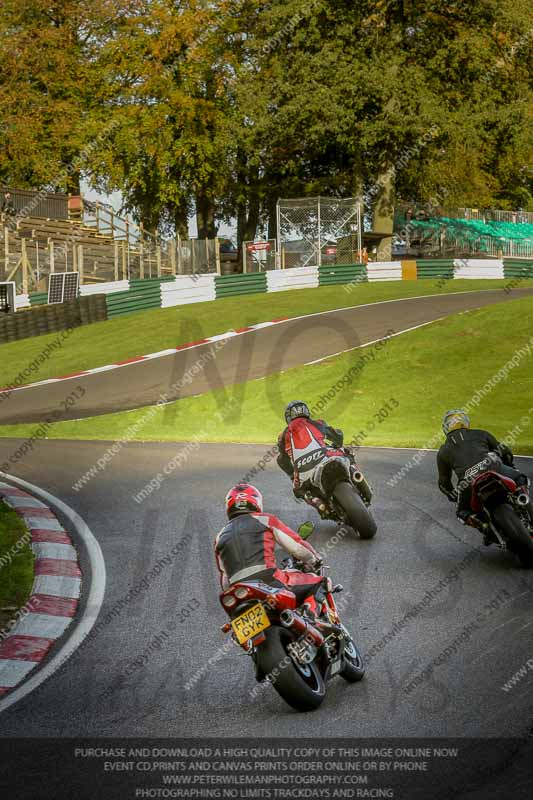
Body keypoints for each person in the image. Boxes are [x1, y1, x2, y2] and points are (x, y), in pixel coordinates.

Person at [214, 483, 325, 609]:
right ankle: (311, 616)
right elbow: (296, 547)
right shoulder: (264, 519)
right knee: (320, 581)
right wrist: (313, 559)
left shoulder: (219, 536)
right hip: (268, 580)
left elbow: (224, 578)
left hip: (238, 593)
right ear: (256, 502)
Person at [437, 409, 531, 533]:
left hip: (467, 483)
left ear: (445, 428)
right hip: (495, 469)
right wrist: (510, 466)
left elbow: (444, 483)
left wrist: (453, 496)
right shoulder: (481, 433)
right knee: (520, 479)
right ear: (466, 423)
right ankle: (523, 499)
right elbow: (505, 452)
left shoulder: (443, 451)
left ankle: (482, 526)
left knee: (461, 512)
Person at [277, 400, 350, 519]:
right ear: (306, 411)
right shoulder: (317, 423)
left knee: (299, 490)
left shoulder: (283, 436)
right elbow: (337, 436)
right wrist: (338, 440)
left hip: (304, 471)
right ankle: (357, 477)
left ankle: (319, 504)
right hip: (325, 457)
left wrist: (292, 475)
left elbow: (281, 460)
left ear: (288, 417)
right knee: (346, 453)